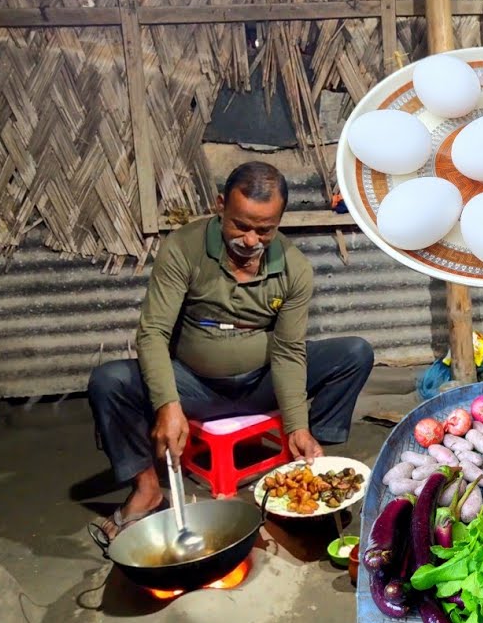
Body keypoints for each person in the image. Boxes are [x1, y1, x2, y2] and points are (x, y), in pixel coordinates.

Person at [87, 161, 374, 542]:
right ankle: (147, 490)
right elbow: (153, 332)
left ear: (279, 222)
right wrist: (168, 404)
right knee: (109, 381)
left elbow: (288, 352)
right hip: (194, 387)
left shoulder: (294, 268)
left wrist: (297, 426)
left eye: (264, 230)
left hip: (260, 383)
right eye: (240, 225)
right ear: (221, 205)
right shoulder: (184, 249)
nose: (251, 240)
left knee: (354, 353)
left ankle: (307, 469)